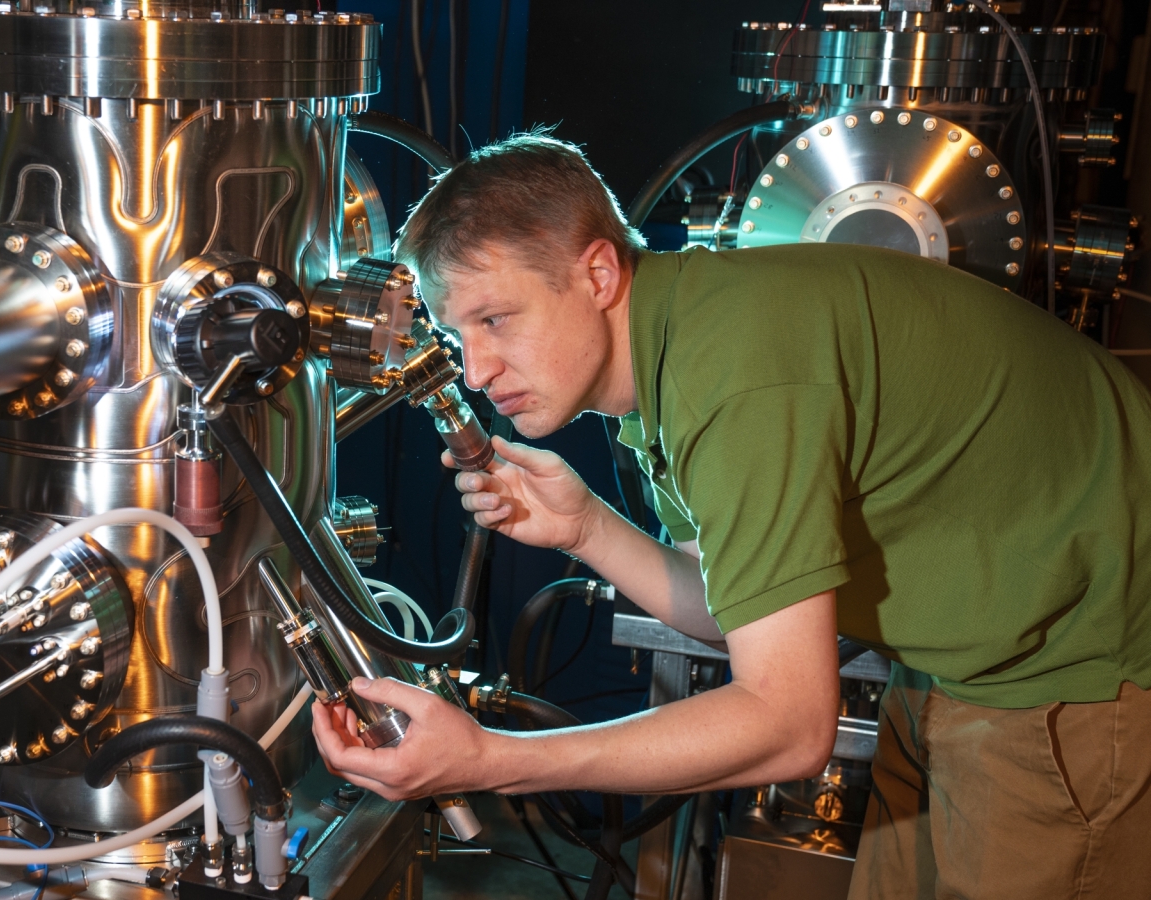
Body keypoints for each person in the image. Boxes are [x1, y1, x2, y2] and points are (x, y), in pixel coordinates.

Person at [309, 132, 1151, 898]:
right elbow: (725, 610)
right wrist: (587, 528)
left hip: (1078, 673)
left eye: (497, 318)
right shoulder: (680, 350)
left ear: (598, 274)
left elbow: (788, 726)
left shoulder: (738, 376)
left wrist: (495, 761)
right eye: (461, 337)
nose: (479, 371)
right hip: (955, 662)